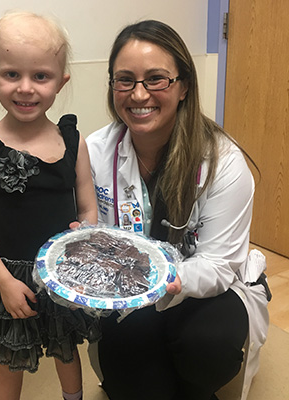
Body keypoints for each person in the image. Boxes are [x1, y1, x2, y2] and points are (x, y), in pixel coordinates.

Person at [86, 20, 270, 400]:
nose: (139, 95)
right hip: (132, 295)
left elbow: (218, 265)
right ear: (112, 86)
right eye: (125, 80)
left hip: (206, 292)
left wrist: (165, 281)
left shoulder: (223, 160)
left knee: (208, 348)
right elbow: (95, 238)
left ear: (183, 85)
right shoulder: (95, 152)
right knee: (128, 377)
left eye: (156, 79)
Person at [0, 12, 100, 400]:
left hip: (61, 272)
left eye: (41, 76)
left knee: (66, 347)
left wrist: (84, 233)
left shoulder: (73, 141)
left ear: (61, 81)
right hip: (9, 274)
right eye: (11, 74)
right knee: (11, 355)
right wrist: (4, 281)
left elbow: (87, 207)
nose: (26, 88)